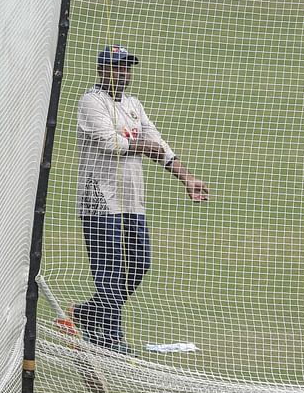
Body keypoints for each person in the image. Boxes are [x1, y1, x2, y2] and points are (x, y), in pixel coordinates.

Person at [72, 45, 209, 354]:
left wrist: (187, 178)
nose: (123, 73)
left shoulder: (134, 104)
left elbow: (159, 144)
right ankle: (109, 338)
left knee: (139, 264)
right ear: (102, 70)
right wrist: (146, 146)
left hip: (131, 201)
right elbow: (111, 143)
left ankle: (88, 313)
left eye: (126, 68)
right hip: (99, 200)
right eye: (117, 67)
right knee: (108, 268)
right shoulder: (91, 102)